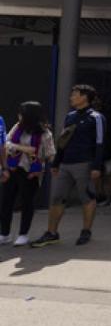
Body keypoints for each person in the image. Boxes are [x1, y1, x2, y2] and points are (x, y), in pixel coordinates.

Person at [32, 84, 105, 248]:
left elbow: (100, 143)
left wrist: (96, 166)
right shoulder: (70, 116)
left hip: (85, 163)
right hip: (65, 164)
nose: (71, 97)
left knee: (87, 197)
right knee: (57, 197)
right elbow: (63, 140)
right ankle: (51, 233)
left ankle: (86, 231)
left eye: (75, 94)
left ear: (84, 97)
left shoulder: (96, 117)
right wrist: (57, 162)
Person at [1, 102, 55, 246]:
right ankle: (4, 233)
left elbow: (49, 154)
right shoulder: (17, 127)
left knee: (27, 203)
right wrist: (24, 148)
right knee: (6, 202)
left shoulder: (45, 133)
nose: (19, 116)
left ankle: (23, 234)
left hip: (31, 172)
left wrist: (36, 161)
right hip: (13, 169)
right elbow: (7, 143)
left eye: (22, 113)